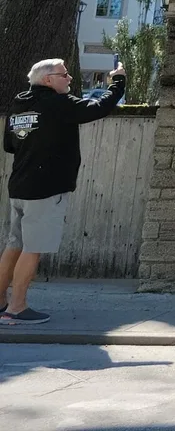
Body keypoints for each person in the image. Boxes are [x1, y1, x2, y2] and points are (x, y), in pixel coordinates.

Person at [1, 58, 125, 325]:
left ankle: (1, 302)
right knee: (32, 248)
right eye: (64, 74)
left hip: (19, 186)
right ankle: (17, 308)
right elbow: (97, 107)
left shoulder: (19, 105)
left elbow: (10, 145)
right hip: (46, 188)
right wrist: (118, 83)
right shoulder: (56, 104)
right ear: (48, 80)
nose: (69, 79)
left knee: (15, 245)